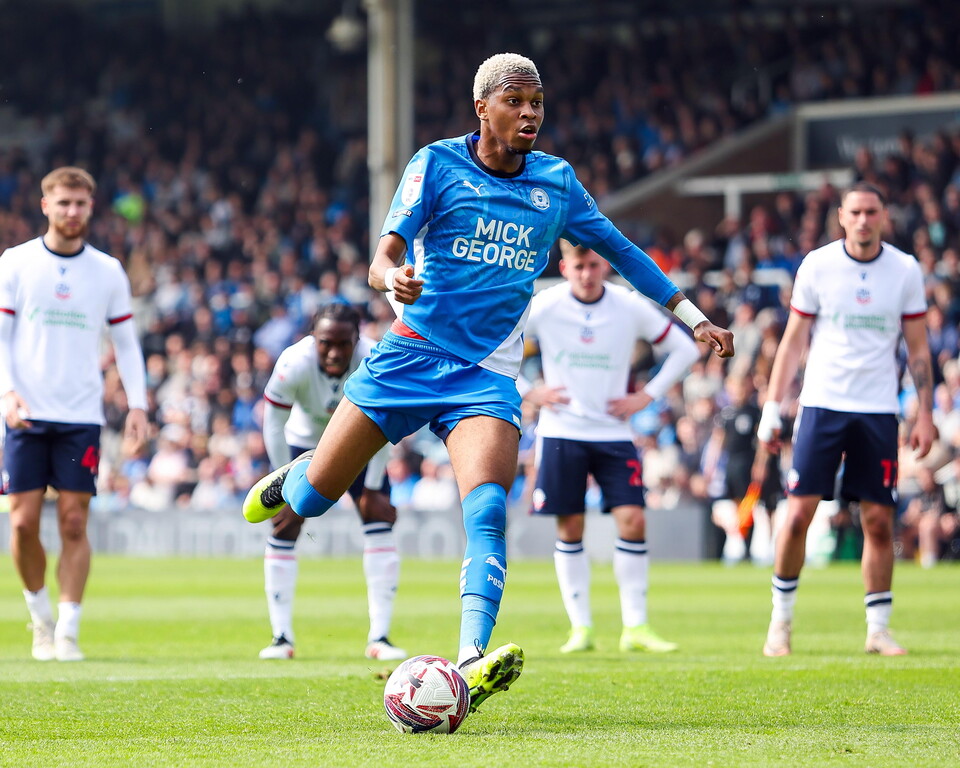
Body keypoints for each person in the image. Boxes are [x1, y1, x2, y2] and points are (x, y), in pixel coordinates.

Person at [243, 53, 733, 712]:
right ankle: (298, 477)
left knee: (487, 510)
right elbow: (381, 256)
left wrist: (694, 318)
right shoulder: (436, 164)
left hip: (485, 376)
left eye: (537, 103)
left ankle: (470, 657)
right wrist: (394, 280)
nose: (529, 114)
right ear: (483, 107)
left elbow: (623, 253)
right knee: (315, 501)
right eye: (516, 102)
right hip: (409, 357)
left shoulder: (557, 183)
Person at [757, 181, 935, 657]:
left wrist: (926, 414)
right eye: (855, 212)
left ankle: (877, 628)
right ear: (841, 216)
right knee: (797, 516)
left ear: (883, 216)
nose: (863, 220)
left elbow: (918, 349)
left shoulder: (904, 270)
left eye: (871, 212)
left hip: (878, 409)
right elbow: (793, 341)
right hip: (822, 404)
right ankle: (781, 623)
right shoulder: (818, 264)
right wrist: (773, 408)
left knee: (878, 520)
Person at [0, 167, 148, 662]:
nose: (72, 212)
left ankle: (67, 629)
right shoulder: (16, 263)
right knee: (21, 525)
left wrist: (139, 405)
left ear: (91, 206)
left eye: (80, 203)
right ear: (45, 205)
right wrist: (7, 393)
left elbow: (126, 343)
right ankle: (39, 614)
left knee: (72, 522)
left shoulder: (107, 271)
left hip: (81, 415)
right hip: (24, 412)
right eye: (63, 203)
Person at [521, 241, 699, 654]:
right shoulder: (544, 305)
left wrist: (647, 395)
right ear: (565, 267)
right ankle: (580, 628)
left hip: (613, 433)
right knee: (570, 527)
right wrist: (530, 391)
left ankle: (635, 626)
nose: (587, 273)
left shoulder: (628, 304)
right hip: (561, 430)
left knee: (633, 520)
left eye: (595, 265)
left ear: (606, 266)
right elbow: (495, 343)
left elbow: (685, 348)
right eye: (579, 266)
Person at [251, 302, 403, 661]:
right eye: (325, 343)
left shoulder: (376, 358)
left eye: (343, 343)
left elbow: (386, 420)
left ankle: (380, 637)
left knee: (378, 520)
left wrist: (372, 486)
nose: (334, 352)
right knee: (284, 527)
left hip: (360, 442)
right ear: (312, 339)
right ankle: (281, 639)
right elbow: (273, 424)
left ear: (357, 338)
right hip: (303, 446)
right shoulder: (292, 363)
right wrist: (283, 485)